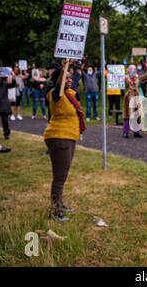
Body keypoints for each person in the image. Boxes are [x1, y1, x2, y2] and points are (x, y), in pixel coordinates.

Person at [43, 64, 86, 222]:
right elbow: (58, 86)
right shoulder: (56, 95)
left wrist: (80, 67)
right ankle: (55, 211)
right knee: (59, 177)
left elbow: (76, 78)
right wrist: (64, 66)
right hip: (59, 136)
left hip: (69, 136)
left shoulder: (70, 94)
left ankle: (59, 204)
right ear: (59, 80)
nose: (69, 79)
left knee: (63, 174)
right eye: (66, 77)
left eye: (70, 77)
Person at [122, 64, 143, 138]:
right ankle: (125, 132)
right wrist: (129, 77)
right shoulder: (126, 77)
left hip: (136, 96)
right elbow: (126, 81)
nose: (133, 71)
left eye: (134, 69)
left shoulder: (137, 77)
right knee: (127, 115)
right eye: (131, 69)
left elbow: (143, 77)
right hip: (129, 97)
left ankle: (136, 131)